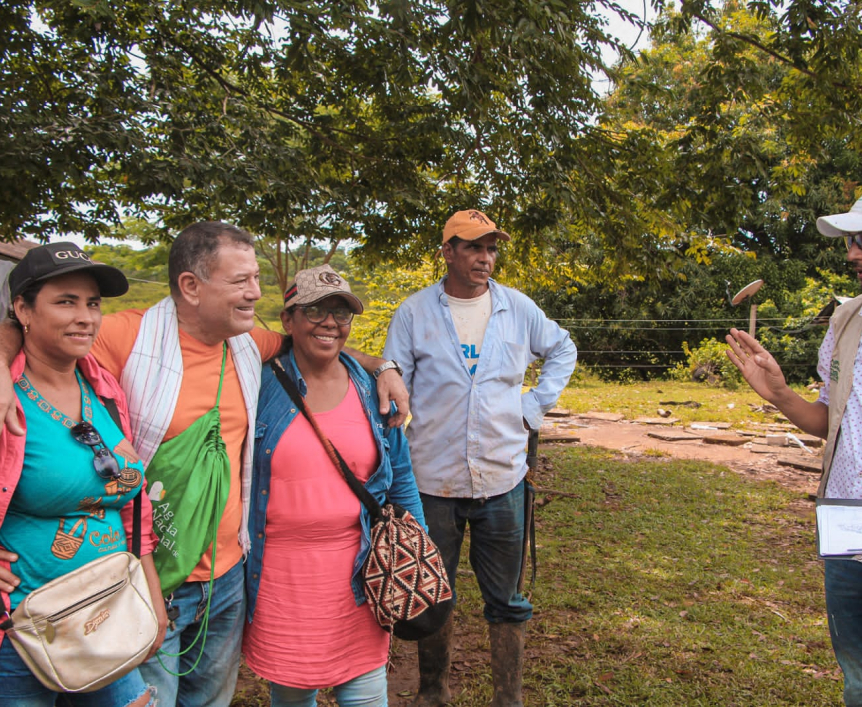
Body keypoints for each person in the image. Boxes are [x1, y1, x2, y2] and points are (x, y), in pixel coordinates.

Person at [0, 222, 410, 707]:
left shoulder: (247, 342)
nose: (255, 293)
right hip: (150, 575)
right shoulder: (123, 336)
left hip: (227, 575)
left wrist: (383, 367)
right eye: (240, 281)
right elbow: (37, 333)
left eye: (256, 279)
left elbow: (317, 342)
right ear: (190, 287)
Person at [725, 181, 862, 706]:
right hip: (852, 549)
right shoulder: (848, 319)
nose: (853, 253)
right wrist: (779, 394)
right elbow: (831, 421)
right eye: (850, 240)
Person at [383, 209, 577, 707]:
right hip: (433, 479)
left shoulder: (517, 308)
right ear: (447, 251)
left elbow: (562, 349)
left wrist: (533, 406)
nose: (484, 258)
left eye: (491, 248)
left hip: (502, 478)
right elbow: (393, 376)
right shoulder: (414, 312)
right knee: (432, 591)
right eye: (473, 247)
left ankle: (507, 699)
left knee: (507, 600)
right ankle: (433, 693)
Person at [244, 264, 425, 707]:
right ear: (288, 320)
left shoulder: (372, 389)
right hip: (281, 579)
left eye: (341, 313)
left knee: (365, 695)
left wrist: (420, 546)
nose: (330, 322)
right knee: (291, 694)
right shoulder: (256, 384)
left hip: (360, 572)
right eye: (315, 310)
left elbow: (399, 474)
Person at [0, 242, 166, 707]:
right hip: (24, 630)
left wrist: (151, 597)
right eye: (65, 301)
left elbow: (135, 507)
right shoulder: (6, 396)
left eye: (92, 304)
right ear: (22, 310)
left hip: (108, 616)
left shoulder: (102, 385)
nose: (85, 317)